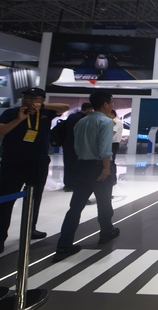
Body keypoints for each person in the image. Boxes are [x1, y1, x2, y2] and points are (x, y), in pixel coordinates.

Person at [0, 88, 70, 253]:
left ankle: (30, 229)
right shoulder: (11, 113)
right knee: (5, 200)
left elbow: (65, 106)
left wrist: (42, 106)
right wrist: (19, 119)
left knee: (34, 198)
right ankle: (0, 236)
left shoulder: (46, 112)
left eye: (33, 98)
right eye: (26, 97)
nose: (28, 101)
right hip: (13, 162)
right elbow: (1, 131)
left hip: (38, 162)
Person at [54, 92, 120, 261]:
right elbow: (105, 148)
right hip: (98, 167)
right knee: (104, 204)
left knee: (75, 208)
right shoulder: (105, 122)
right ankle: (106, 232)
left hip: (82, 167)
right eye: (111, 102)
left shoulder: (81, 121)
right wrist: (106, 168)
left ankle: (64, 245)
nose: (113, 105)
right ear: (105, 104)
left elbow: (76, 146)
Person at [62, 103, 93, 191]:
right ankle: (74, 184)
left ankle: (68, 184)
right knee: (77, 166)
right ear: (89, 109)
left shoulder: (72, 116)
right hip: (78, 146)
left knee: (68, 165)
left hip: (67, 144)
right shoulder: (83, 118)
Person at [108, 109, 123, 185]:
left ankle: (113, 178)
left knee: (111, 161)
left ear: (113, 114)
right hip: (110, 143)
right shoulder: (112, 121)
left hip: (113, 143)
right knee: (110, 161)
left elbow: (113, 132)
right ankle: (111, 178)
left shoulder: (117, 122)